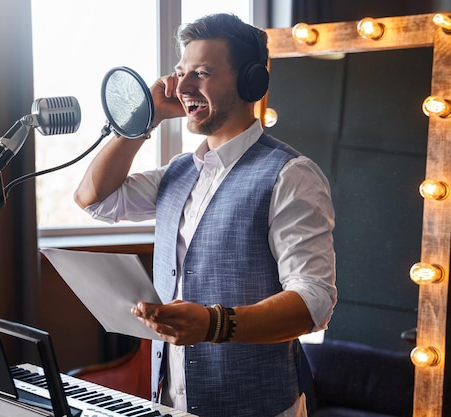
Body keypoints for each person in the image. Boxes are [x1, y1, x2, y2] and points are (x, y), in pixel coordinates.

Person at [74, 13, 336, 417]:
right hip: (169, 399)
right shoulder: (178, 171)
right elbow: (95, 199)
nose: (182, 86)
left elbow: (313, 301)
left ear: (251, 82)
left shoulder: (291, 175)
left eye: (202, 72)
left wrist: (216, 324)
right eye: (180, 73)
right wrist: (146, 119)